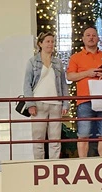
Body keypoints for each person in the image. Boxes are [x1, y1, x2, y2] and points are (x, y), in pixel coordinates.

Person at [67, 27, 102, 158]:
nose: (91, 37)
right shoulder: (76, 57)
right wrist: (88, 73)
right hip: (84, 99)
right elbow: (69, 76)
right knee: (83, 133)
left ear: (98, 38)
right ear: (83, 39)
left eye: (94, 35)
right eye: (88, 35)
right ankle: (83, 162)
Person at [22, 32, 70, 160]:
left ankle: (54, 163)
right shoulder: (32, 62)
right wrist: (30, 104)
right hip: (38, 104)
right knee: (38, 138)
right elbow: (27, 85)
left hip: (56, 104)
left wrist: (66, 103)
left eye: (52, 41)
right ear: (40, 44)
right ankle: (39, 163)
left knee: (55, 138)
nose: (50, 44)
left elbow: (63, 84)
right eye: (47, 41)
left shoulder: (58, 63)